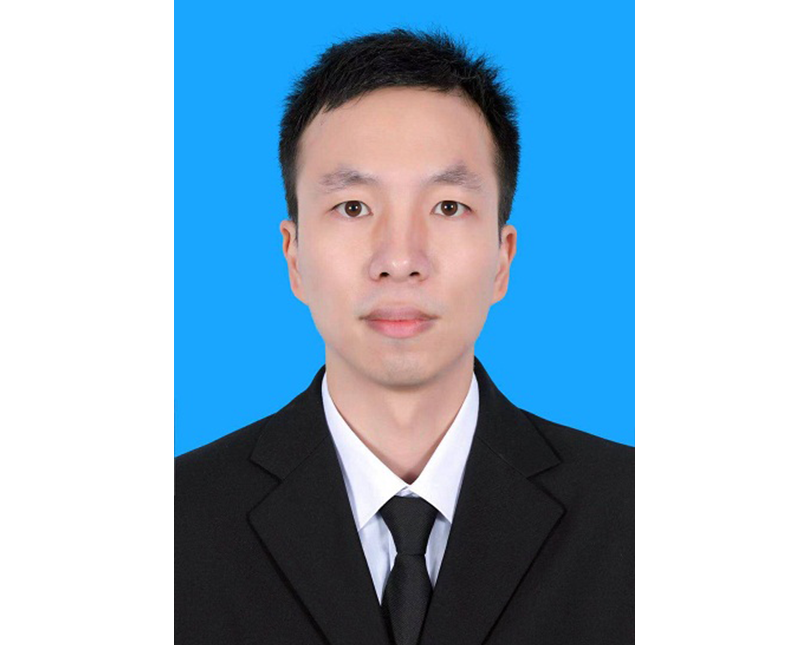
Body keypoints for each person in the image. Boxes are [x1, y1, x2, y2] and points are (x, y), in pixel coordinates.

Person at [175, 28, 633, 645]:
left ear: (502, 258)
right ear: (294, 256)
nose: (399, 259)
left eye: (447, 206)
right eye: (353, 207)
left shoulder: (635, 516)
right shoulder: (174, 524)